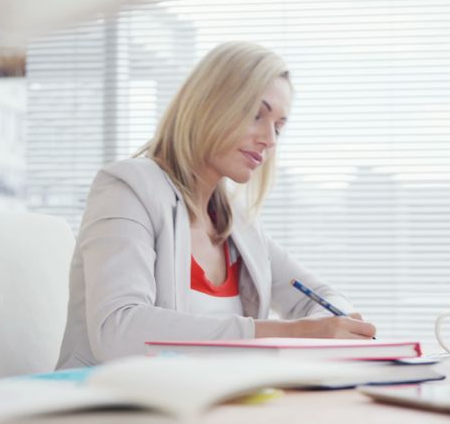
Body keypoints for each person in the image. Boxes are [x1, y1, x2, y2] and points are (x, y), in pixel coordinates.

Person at [57, 42, 376, 368]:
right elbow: (118, 331)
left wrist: (331, 325)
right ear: (209, 105)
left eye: (279, 126)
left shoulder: (240, 227)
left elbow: (323, 296)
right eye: (256, 115)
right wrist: (285, 333)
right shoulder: (128, 188)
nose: (270, 139)